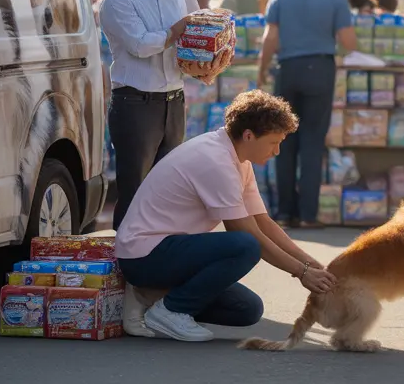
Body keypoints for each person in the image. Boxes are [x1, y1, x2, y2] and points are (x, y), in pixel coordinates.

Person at [115, 90, 338, 341]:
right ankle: (171, 311)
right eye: (274, 142)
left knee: (247, 309)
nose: (277, 151)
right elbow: (244, 232)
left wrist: (316, 266)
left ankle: (149, 296)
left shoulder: (239, 159)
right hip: (144, 255)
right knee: (245, 245)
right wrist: (301, 272)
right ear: (249, 135)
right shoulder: (215, 160)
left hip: (171, 251)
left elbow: (263, 222)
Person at [98, 0, 194, 229]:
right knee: (135, 190)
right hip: (136, 104)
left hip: (173, 99)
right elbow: (140, 44)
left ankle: (157, 261)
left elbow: (181, 46)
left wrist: (203, 61)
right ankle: (127, 265)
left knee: (167, 190)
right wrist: (177, 31)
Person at [258, 0, 357, 228]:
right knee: (313, 142)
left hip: (287, 70)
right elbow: (349, 41)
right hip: (320, 70)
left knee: (282, 140)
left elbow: (271, 36)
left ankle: (284, 213)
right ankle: (308, 215)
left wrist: (262, 70)